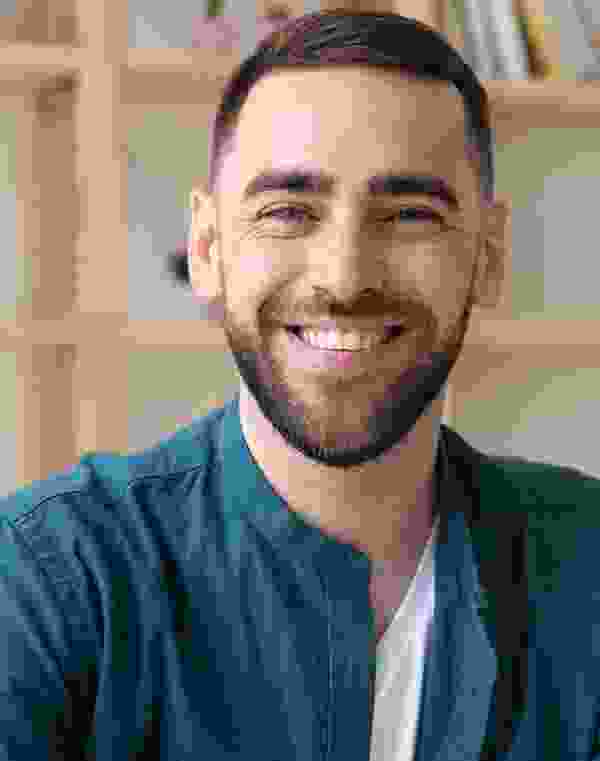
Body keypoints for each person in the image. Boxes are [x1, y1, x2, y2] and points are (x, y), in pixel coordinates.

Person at [1, 9, 600, 761]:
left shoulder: (587, 564)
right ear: (207, 248)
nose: (344, 278)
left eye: (409, 215)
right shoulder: (48, 577)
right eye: (288, 212)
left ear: (487, 256)